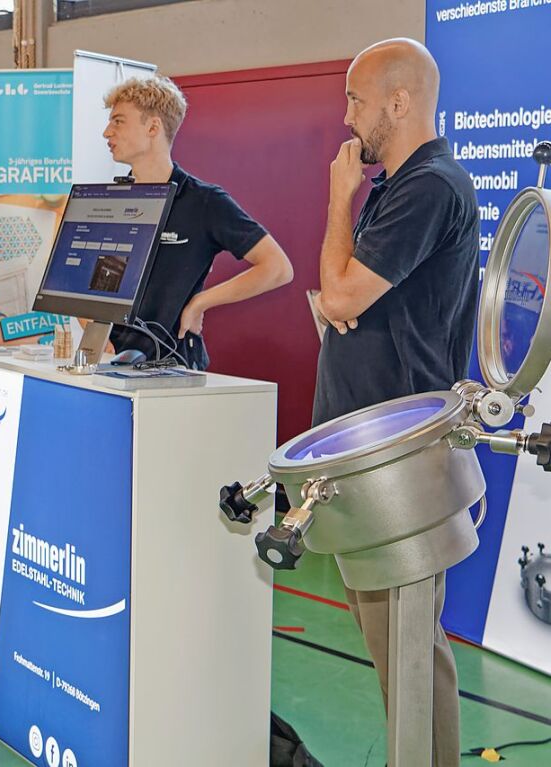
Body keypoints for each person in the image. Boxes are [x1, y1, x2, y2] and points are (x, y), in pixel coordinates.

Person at [312, 39, 479, 767]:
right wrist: (342, 286)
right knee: (392, 647)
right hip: (365, 449)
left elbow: (343, 292)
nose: (346, 116)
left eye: (354, 99)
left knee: (408, 646)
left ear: (398, 101)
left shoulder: (429, 186)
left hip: (399, 458)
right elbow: (336, 296)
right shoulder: (402, 185)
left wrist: (336, 201)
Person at [101, 75, 293, 368]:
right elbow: (94, 286)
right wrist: (100, 339)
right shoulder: (113, 201)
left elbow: (277, 268)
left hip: (174, 369)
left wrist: (201, 303)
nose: (106, 132)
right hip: (112, 362)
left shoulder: (204, 201)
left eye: (118, 121)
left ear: (153, 127)